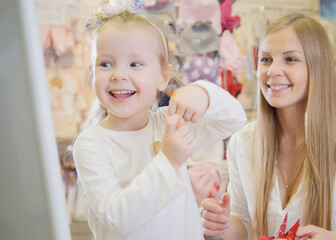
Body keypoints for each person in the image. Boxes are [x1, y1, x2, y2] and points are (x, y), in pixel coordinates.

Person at [201, 13, 336, 240]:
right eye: (266, 59)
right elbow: (244, 226)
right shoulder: (243, 142)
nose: (273, 70)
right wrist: (220, 223)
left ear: (317, 67)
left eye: (290, 59)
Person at [72, 3, 246, 239]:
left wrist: (203, 93)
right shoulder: (91, 144)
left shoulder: (170, 122)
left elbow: (234, 120)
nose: (118, 75)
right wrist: (169, 161)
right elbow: (117, 219)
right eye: (105, 64)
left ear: (163, 77)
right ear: (93, 75)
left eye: (135, 64)